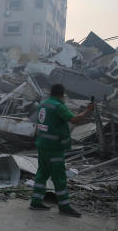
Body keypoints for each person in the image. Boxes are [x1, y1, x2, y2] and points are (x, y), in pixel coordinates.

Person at [29, 83, 95, 217]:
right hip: (54, 148)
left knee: (42, 173)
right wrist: (88, 110)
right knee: (59, 177)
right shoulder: (58, 106)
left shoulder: (44, 104)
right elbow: (74, 119)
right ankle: (64, 206)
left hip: (42, 145)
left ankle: (36, 202)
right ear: (61, 94)